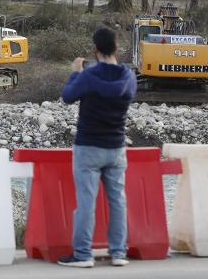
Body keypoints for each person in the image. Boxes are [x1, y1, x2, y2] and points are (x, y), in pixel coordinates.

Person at [58, 27, 137, 268]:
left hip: (89, 147)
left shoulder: (88, 76)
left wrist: (75, 73)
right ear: (116, 48)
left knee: (86, 203)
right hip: (116, 147)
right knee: (118, 202)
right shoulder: (129, 77)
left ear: (95, 50)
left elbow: (67, 96)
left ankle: (82, 255)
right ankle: (118, 253)